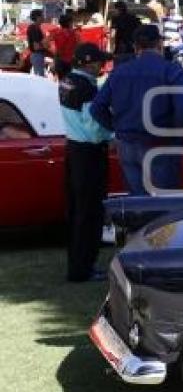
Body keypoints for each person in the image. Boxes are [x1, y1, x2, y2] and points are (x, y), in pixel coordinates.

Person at [90, 24, 183, 195]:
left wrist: (116, 128)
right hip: (160, 143)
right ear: (159, 44)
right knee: (165, 204)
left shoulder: (120, 72)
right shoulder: (172, 71)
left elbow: (96, 108)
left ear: (135, 47)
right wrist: (174, 135)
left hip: (128, 144)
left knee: (138, 202)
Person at [58, 43, 113, 282]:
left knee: (78, 211)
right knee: (90, 212)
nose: (102, 65)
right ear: (88, 62)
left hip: (74, 148)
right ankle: (84, 267)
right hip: (89, 152)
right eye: (99, 61)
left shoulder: (67, 80)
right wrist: (111, 137)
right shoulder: (88, 88)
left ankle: (77, 264)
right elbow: (93, 126)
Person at [110, 1, 141, 65]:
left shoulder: (116, 18)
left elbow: (113, 33)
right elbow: (139, 29)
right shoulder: (133, 17)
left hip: (120, 45)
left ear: (117, 9)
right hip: (131, 45)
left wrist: (112, 48)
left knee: (119, 65)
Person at [49, 14, 80, 80]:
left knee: (61, 80)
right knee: (70, 81)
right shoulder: (75, 34)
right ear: (69, 23)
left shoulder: (56, 32)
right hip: (71, 61)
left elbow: (45, 43)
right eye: (72, 22)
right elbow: (80, 45)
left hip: (60, 60)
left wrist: (53, 52)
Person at [27, 10, 48, 77]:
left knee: (40, 76)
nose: (43, 17)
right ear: (37, 17)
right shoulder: (34, 28)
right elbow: (36, 46)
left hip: (38, 55)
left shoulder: (36, 28)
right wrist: (46, 46)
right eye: (42, 15)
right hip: (37, 55)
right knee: (40, 77)